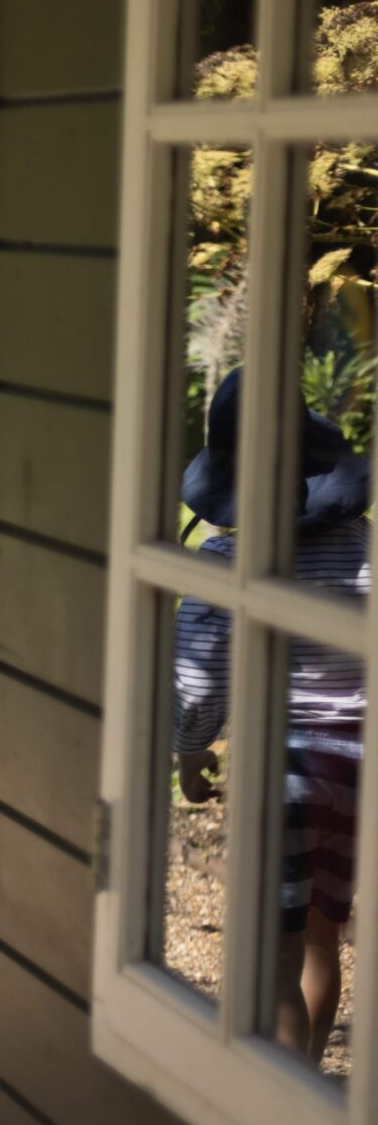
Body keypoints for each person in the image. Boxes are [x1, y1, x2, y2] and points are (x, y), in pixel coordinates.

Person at [174, 366, 371, 1063]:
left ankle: (282, 1098)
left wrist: (191, 751)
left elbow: (199, 680)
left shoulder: (227, 558)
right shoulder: (361, 548)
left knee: (278, 954)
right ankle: (313, 1089)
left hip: (279, 766)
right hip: (354, 762)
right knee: (323, 940)